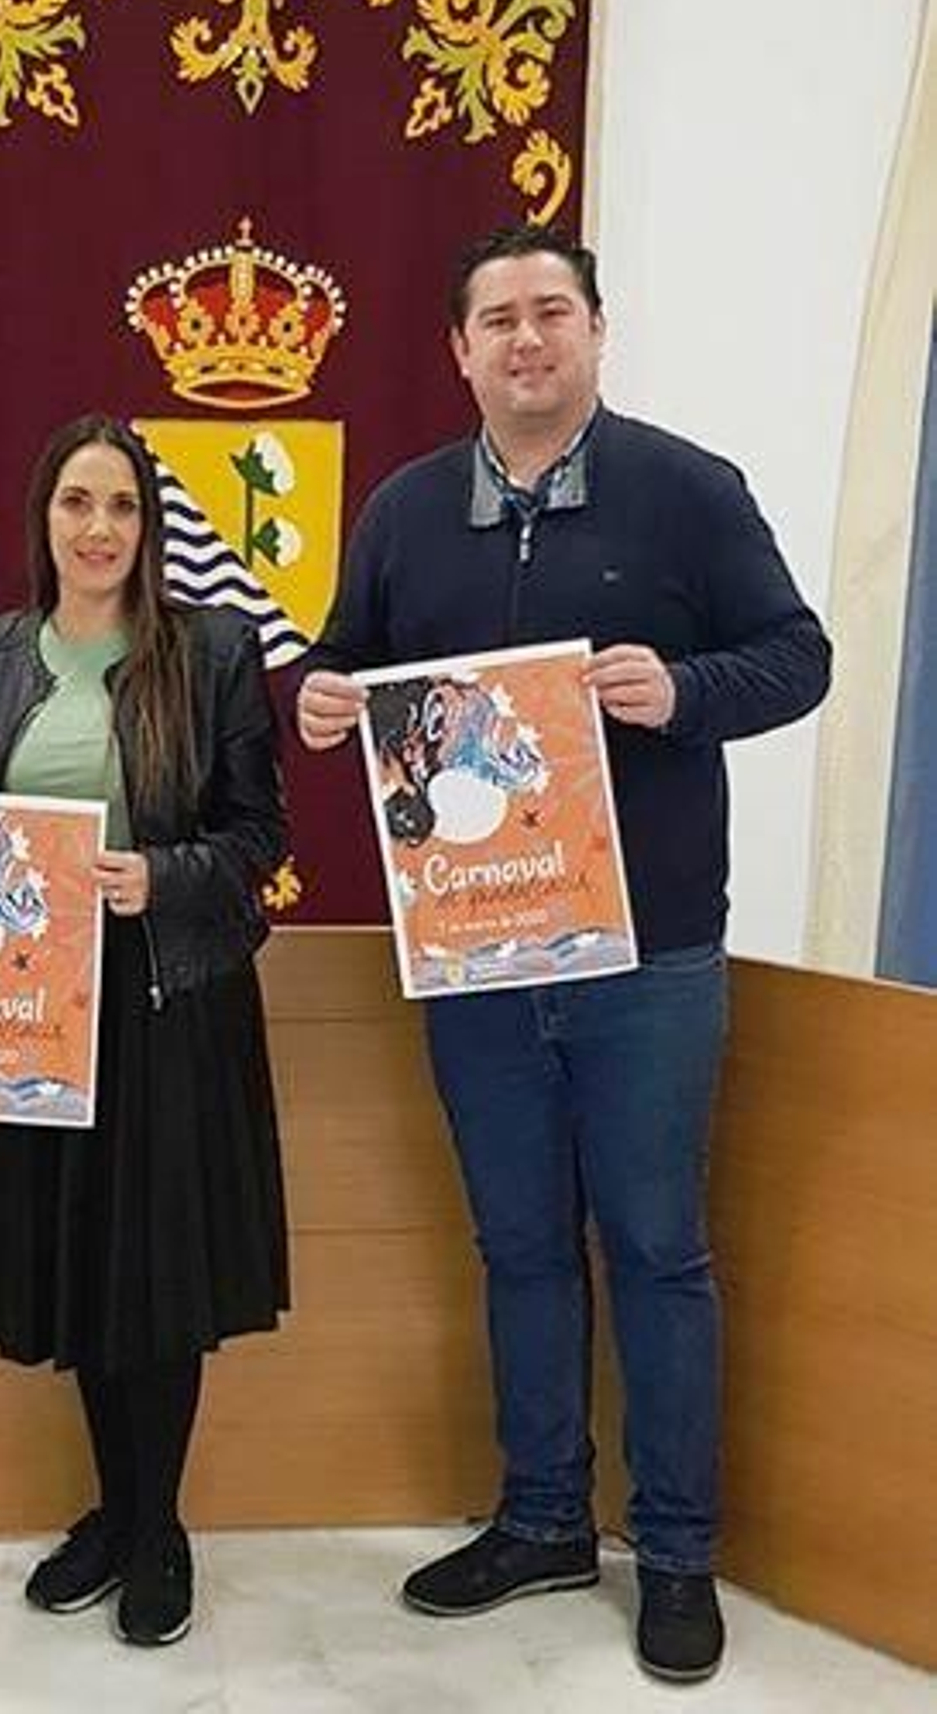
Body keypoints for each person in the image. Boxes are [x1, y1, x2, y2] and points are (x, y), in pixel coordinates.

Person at [297, 225, 831, 1683]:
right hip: (475, 954)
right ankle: (539, 1516)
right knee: (520, 1245)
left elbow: (799, 653)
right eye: (498, 320)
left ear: (598, 329)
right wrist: (324, 698)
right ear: (458, 350)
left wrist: (685, 688)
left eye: (552, 313)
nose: (526, 341)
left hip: (649, 955)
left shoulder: (687, 491)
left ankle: (675, 1550)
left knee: (657, 1251)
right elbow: (338, 653)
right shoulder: (406, 510)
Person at [0, 413, 289, 1647]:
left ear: (150, 529)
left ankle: (157, 1529)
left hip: (166, 1001)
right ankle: (110, 1510)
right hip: (23, 1009)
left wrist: (167, 873)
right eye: (75, 504)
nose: (98, 530)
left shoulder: (209, 650)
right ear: (42, 518)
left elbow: (262, 839)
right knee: (81, 1269)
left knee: (155, 1278)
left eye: (122, 508)